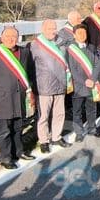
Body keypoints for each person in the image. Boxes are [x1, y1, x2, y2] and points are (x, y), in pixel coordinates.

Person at [0, 26, 35, 168]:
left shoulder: (24, 52)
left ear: (18, 38)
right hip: (2, 99)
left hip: (20, 97)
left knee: (18, 127)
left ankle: (19, 152)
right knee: (4, 130)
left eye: (14, 36)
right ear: (1, 38)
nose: (11, 39)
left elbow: (29, 72)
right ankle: (5, 158)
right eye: (8, 36)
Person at [29, 19, 72, 153]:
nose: (52, 31)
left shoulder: (60, 43)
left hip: (60, 84)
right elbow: (29, 66)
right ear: (43, 29)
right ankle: (44, 141)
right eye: (49, 28)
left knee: (59, 113)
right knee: (44, 116)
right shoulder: (35, 45)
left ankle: (56, 136)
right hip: (44, 86)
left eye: (54, 28)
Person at [67, 24, 100, 141]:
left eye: (84, 33)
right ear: (74, 34)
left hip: (91, 85)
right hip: (78, 86)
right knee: (77, 111)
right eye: (79, 33)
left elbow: (98, 63)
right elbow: (71, 69)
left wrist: (92, 79)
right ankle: (79, 133)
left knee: (91, 108)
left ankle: (92, 128)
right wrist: (84, 81)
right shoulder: (70, 49)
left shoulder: (91, 47)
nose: (82, 35)